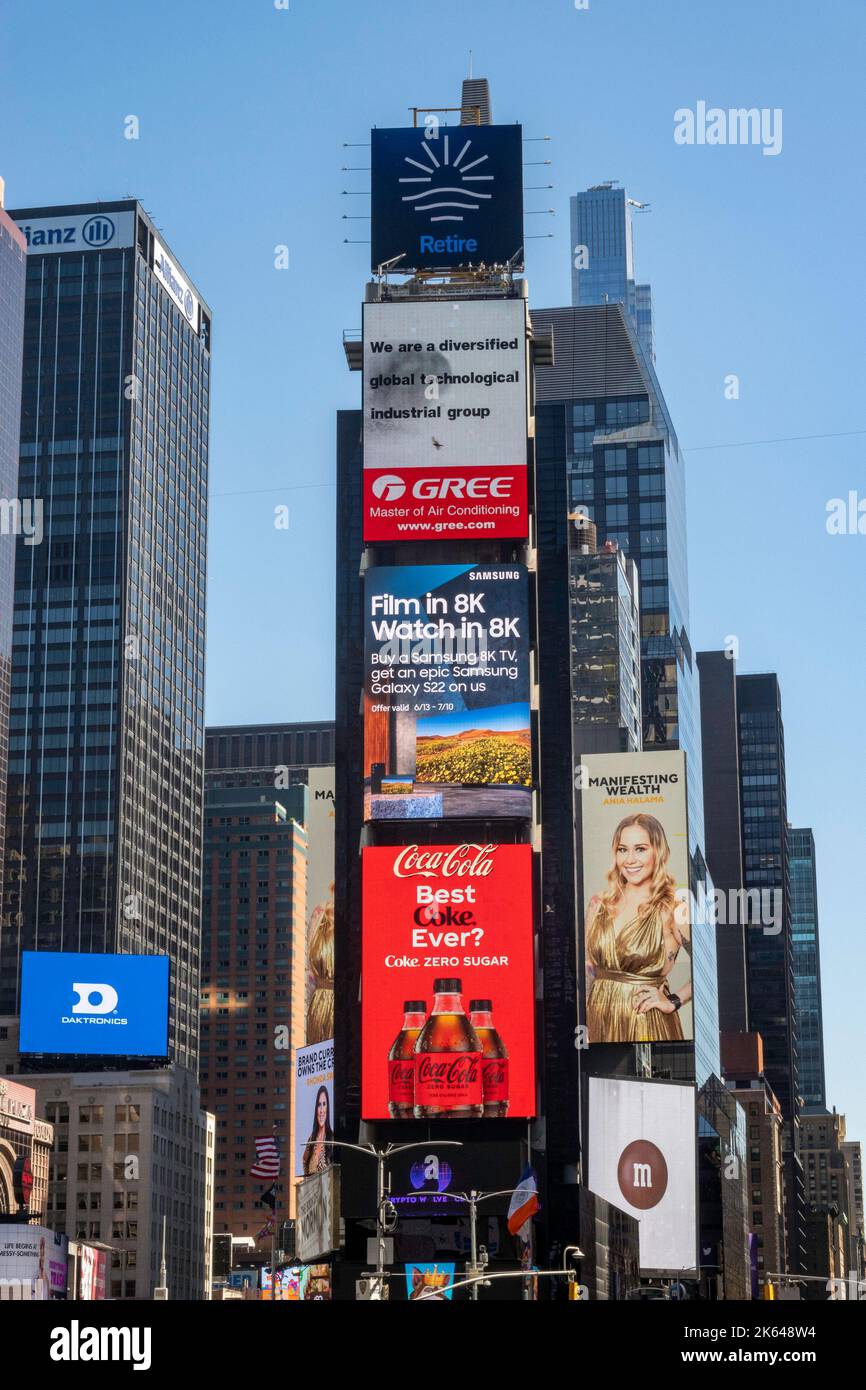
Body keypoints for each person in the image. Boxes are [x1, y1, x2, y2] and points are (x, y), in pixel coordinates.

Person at [585, 813, 691, 1042]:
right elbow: (588, 968)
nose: (630, 859)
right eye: (623, 849)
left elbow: (712, 968)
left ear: (658, 852)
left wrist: (673, 1001)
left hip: (647, 1025)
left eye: (640, 849)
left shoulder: (673, 909)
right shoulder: (598, 904)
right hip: (598, 1021)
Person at [302, 1085, 333, 1175]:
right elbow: (304, 1160)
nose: (321, 1110)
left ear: (328, 1108)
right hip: (311, 1187)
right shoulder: (311, 1139)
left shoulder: (332, 1139)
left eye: (324, 1104)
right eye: (319, 1105)